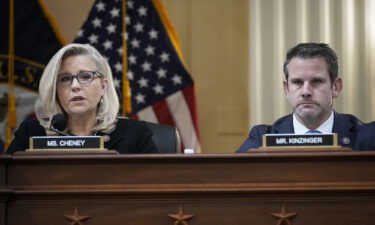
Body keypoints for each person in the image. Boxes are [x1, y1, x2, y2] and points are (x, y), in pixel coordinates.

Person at [6, 43, 157, 154]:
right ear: (56, 90)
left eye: (85, 76)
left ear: (103, 86)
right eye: (65, 79)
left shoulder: (135, 134)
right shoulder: (31, 134)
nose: (75, 86)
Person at [237, 43, 375, 152]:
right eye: (297, 82)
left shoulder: (368, 137)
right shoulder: (262, 139)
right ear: (287, 89)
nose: (306, 92)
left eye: (316, 81)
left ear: (335, 87)